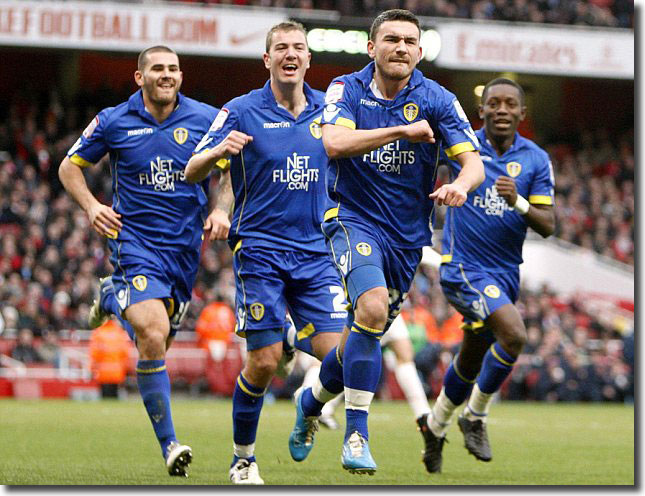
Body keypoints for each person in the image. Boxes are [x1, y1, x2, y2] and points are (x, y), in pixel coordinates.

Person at [291, 9, 485, 475]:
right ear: (371, 47)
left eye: (409, 41)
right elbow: (334, 144)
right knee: (373, 309)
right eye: (392, 39)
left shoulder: (438, 99)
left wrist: (463, 185)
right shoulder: (346, 89)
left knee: (365, 332)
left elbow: (473, 162)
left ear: (419, 51)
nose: (401, 47)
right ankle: (357, 434)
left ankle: (311, 400)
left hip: (407, 238)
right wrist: (402, 130)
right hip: (351, 218)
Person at [185, 22, 347, 485]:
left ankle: (308, 402)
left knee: (345, 360)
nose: (290, 54)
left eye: (299, 47)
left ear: (308, 60)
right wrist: (218, 148)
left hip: (317, 255)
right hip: (261, 251)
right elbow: (193, 169)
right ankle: (243, 459)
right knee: (261, 361)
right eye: (282, 48)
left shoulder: (330, 111)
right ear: (268, 59)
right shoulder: (240, 110)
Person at [58, 45, 220, 477]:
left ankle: (112, 298)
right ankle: (170, 445)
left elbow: (230, 171)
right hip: (135, 244)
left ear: (181, 76)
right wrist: (92, 206)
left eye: (173, 69)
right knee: (152, 329)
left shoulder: (206, 119)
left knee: (156, 341)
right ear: (139, 77)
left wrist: (221, 207)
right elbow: (68, 167)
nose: (166, 75)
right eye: (157, 69)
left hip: (185, 253)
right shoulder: (114, 120)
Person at [422, 78, 555, 472]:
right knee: (514, 335)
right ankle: (475, 417)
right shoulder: (464, 148)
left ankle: (435, 425)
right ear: (480, 111)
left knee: (470, 360)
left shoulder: (535, 159)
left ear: (521, 113)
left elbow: (548, 223)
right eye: (492, 103)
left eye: (508, 104)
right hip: (463, 268)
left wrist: (518, 201)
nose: (500, 109)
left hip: (505, 275)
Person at [88, 319, 131, 398]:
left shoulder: (98, 333)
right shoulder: (120, 333)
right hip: (117, 373)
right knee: (114, 397)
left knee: (105, 398)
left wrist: (91, 369)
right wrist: (126, 370)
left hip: (102, 373)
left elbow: (94, 354)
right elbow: (125, 354)